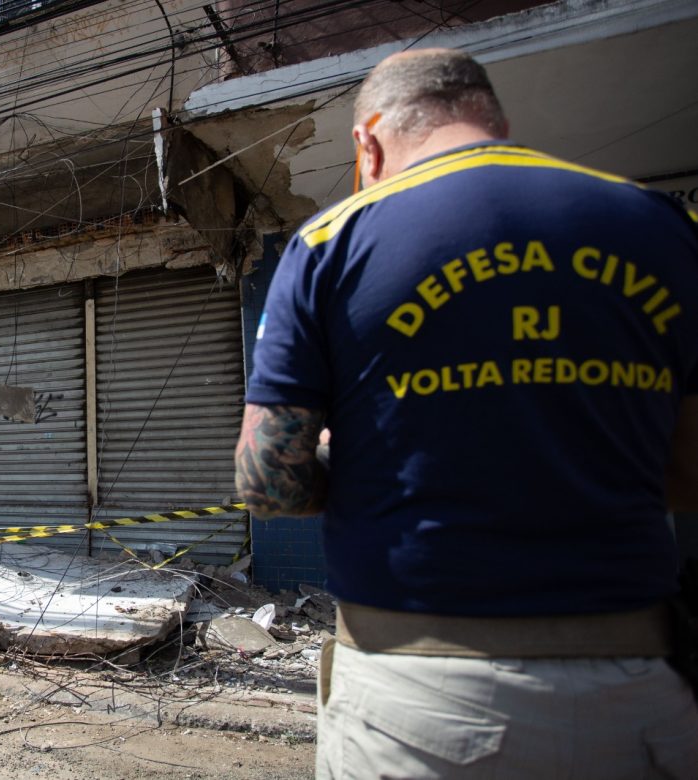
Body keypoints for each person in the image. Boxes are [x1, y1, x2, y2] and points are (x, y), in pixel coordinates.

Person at [235, 48, 698, 779]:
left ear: (368, 142)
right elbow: (689, 471)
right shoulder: (661, 226)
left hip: (418, 695)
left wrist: (355, 458)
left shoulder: (331, 244)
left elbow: (268, 480)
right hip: (634, 680)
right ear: (496, 121)